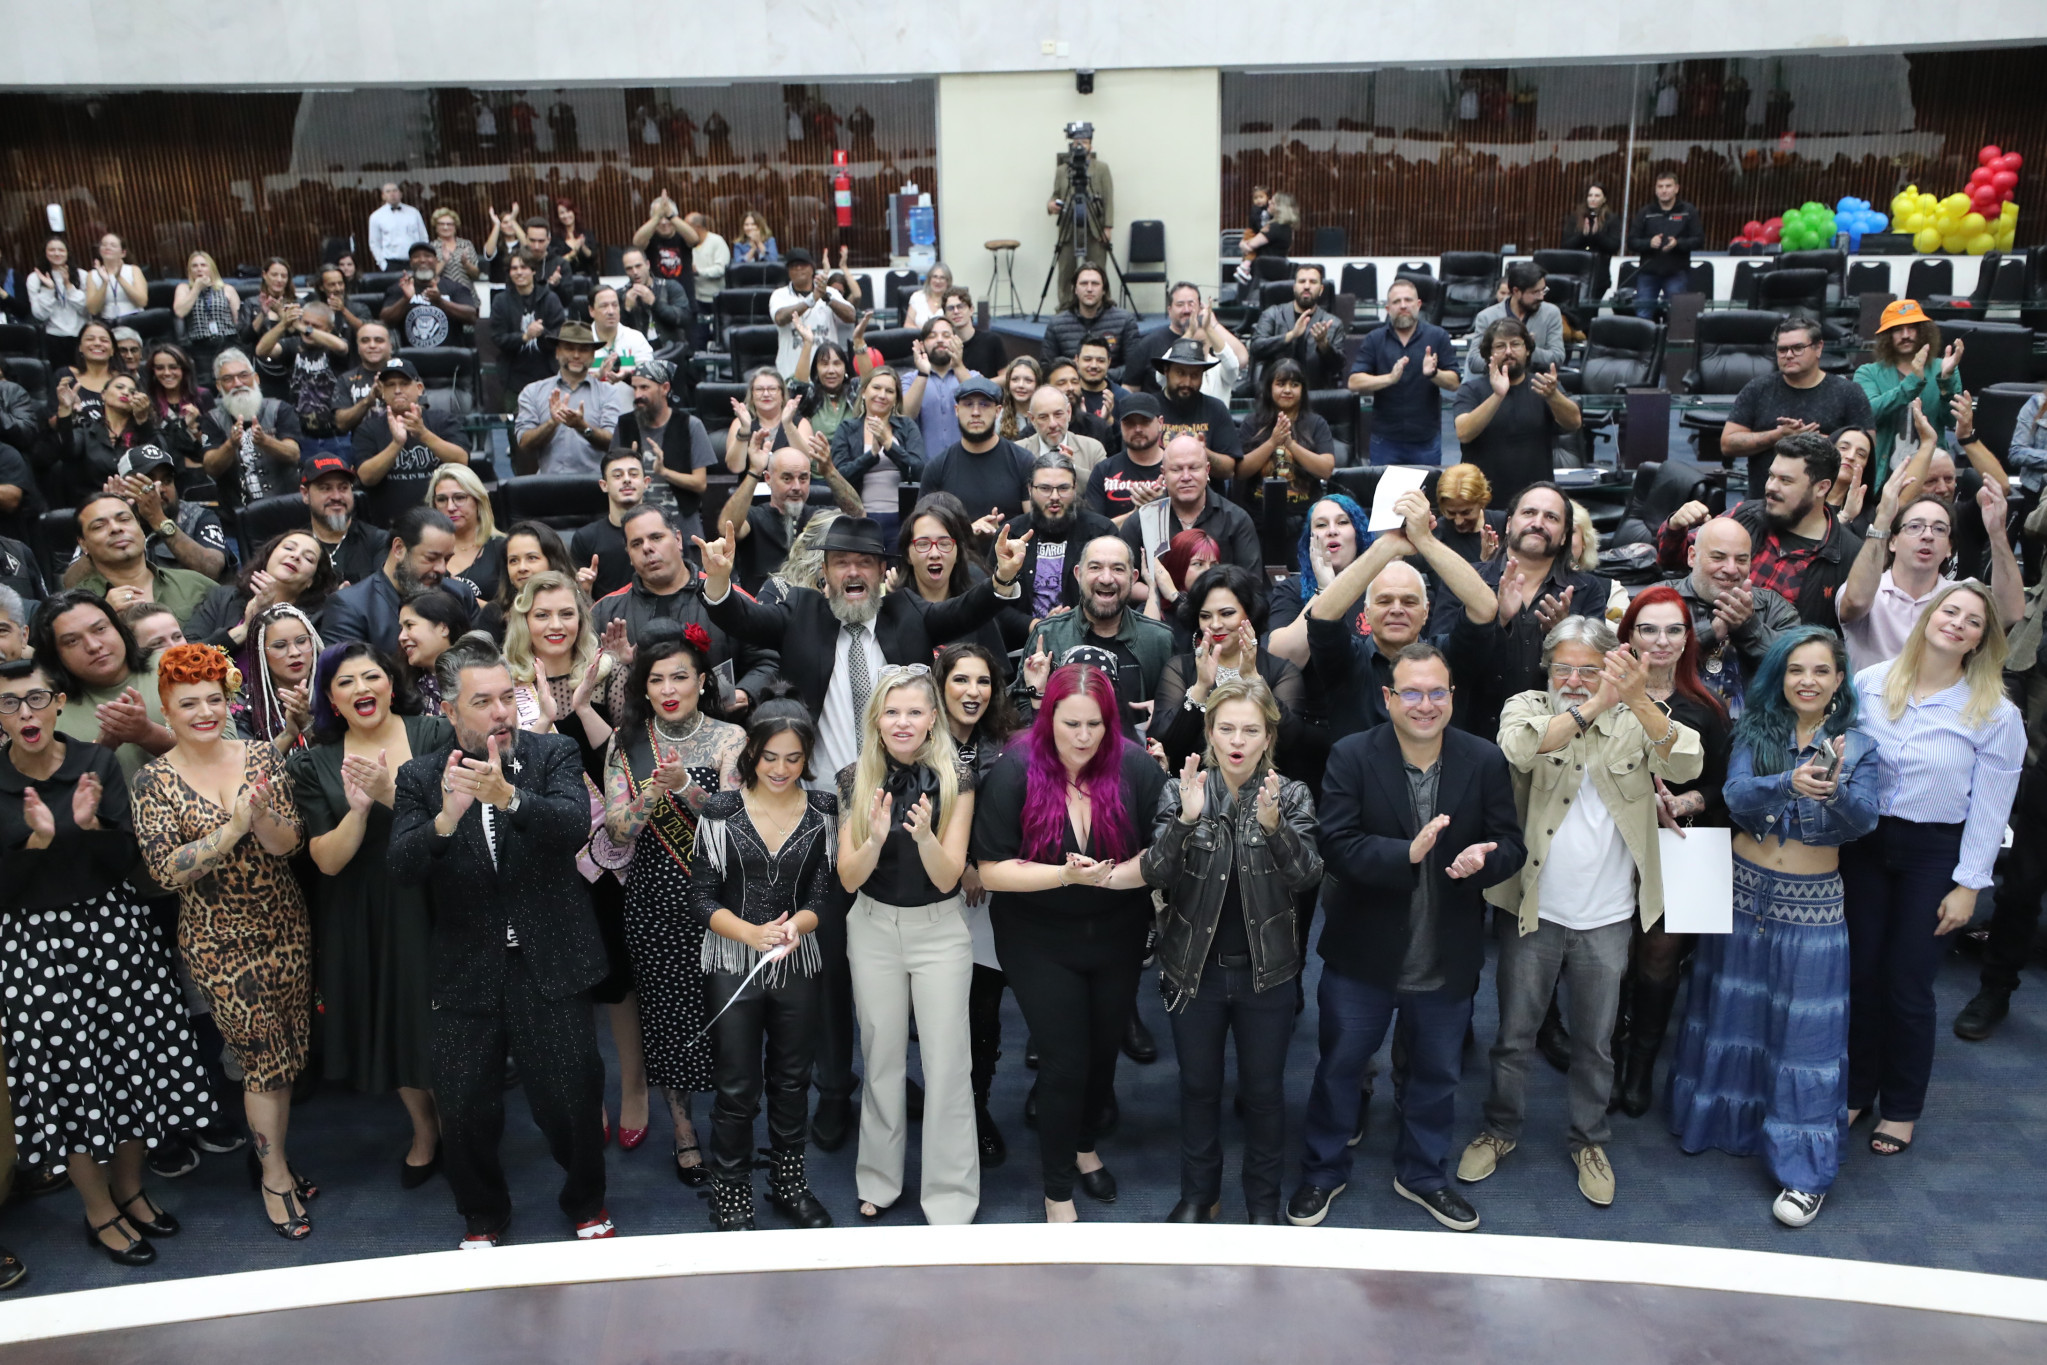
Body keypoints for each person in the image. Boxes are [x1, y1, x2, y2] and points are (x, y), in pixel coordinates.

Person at [1460, 616, 1702, 1208]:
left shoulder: (1635, 718)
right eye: (1563, 668)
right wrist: (1595, 702)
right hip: (1534, 908)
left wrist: (1638, 698)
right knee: (1514, 1035)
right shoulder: (1527, 705)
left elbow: (1687, 763)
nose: (1573, 679)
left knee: (1595, 1043)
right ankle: (1500, 1128)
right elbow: (1519, 748)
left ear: (1612, 669)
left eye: (1589, 670)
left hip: (1609, 914)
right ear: (1547, 669)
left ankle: (1589, 1138)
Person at [389, 635, 616, 1250]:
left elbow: (574, 826)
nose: (500, 713)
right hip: (467, 967)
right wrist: (446, 817)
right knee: (463, 1108)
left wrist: (510, 798)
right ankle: (483, 1215)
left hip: (553, 958)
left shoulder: (552, 754)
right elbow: (403, 866)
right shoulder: (418, 775)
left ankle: (587, 1202)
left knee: (572, 1098)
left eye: (507, 697)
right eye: (482, 701)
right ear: (449, 710)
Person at [1287, 644, 1525, 1231]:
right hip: (1361, 957)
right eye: (1412, 693)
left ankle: (1421, 1174)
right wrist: (1407, 853)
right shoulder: (1351, 755)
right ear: (1388, 698)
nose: (1426, 705)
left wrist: (1485, 860)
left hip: (1445, 955)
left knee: (1437, 1076)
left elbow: (1512, 845)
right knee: (1340, 1067)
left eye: (1437, 692)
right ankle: (1323, 1170)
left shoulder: (1484, 758)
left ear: (1452, 697)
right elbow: (1334, 844)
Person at [0, 656, 220, 1267]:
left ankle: (132, 1189)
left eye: (37, 698)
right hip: (34, 951)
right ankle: (99, 1210)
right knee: (71, 1083)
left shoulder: (93, 762)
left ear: (57, 701)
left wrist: (91, 827)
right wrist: (39, 841)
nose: (26, 713)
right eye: (9, 703)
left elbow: (129, 862)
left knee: (133, 1068)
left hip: (117, 935)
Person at [1666, 627, 1878, 1226]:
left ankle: (1803, 1174)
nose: (1807, 681)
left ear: (1840, 681)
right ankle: (1721, 1125)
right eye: (1795, 670)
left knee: (1805, 1037)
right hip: (1739, 893)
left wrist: (1833, 793)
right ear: (1779, 678)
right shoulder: (1755, 731)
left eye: (1820, 671)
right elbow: (1735, 796)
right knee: (1733, 1015)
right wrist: (1786, 781)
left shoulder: (1860, 746)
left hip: (1813, 904)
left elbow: (1863, 822)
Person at [132, 644, 316, 1240]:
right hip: (218, 940)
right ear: (167, 709)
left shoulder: (260, 754)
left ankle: (270, 1155)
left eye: (215, 699)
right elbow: (165, 870)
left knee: (285, 1055)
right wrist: (233, 827)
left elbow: (290, 845)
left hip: (285, 924)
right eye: (190, 703)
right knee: (261, 1059)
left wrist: (261, 821)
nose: (206, 711)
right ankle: (275, 1175)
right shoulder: (153, 781)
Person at [973, 663, 1164, 1221]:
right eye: (1070, 723)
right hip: (1038, 936)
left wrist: (1119, 875)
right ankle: (1056, 1191)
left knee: (1104, 1053)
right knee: (1064, 1061)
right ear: (1047, 716)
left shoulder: (1133, 766)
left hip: (1117, 931)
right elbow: (991, 871)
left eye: (1095, 725)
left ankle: (1083, 1147)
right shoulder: (1015, 770)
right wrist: (1065, 875)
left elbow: (1165, 849)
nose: (1083, 737)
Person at [1842, 582, 2022, 1159]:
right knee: (1860, 976)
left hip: (1935, 855)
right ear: (1928, 617)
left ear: (1980, 640)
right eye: (1951, 611)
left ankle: (1900, 1108)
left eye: (1972, 621)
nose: (1958, 624)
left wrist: (1970, 884)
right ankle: (1854, 1090)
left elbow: (1992, 807)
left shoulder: (1994, 710)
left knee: (1908, 985)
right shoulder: (1871, 684)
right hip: (1866, 845)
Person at [1142, 676, 1323, 1224]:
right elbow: (1153, 871)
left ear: (1268, 736)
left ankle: (1262, 1203)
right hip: (1193, 974)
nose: (1237, 740)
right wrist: (1187, 821)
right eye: (1226, 729)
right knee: (1197, 1089)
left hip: (1266, 977)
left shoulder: (1290, 796)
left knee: (1265, 1094)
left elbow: (1308, 876)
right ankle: (1200, 1194)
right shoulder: (1180, 790)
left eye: (1250, 730)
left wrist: (1274, 830)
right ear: (1210, 733)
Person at [290, 642, 449, 1186]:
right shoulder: (313, 762)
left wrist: (390, 794)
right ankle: (425, 1129)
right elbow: (326, 861)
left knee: (446, 1023)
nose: (361, 689)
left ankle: (465, 1126)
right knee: (399, 1023)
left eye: (371, 676)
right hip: (364, 909)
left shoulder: (433, 735)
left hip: (437, 897)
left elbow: (452, 823)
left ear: (390, 682)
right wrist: (358, 812)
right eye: (345, 683)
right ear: (331, 701)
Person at [834, 665, 980, 1224]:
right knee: (881, 1057)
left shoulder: (958, 781)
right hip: (871, 927)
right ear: (876, 720)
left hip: (939, 931)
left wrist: (921, 837)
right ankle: (879, 1178)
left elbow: (949, 878)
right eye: (892, 712)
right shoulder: (852, 779)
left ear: (932, 720)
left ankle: (949, 1194)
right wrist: (873, 840)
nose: (902, 722)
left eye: (914, 712)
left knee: (947, 1064)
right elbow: (849, 878)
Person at [602, 629, 744, 1189]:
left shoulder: (731, 739)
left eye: (680, 676)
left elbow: (737, 820)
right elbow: (618, 827)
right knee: (667, 1019)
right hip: (655, 898)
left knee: (732, 1015)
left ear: (702, 681)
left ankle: (733, 1128)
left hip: (721, 896)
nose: (668, 688)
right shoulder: (627, 742)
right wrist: (649, 796)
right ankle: (684, 1135)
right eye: (656, 678)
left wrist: (688, 788)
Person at [689, 712, 836, 1230]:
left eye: (793, 758)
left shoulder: (823, 810)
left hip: (797, 959)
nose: (781, 768)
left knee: (794, 1080)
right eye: (770, 756)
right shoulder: (721, 809)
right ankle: (729, 1193)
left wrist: (799, 923)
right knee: (736, 1084)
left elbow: (824, 894)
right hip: (732, 958)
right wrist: (750, 933)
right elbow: (701, 898)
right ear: (752, 753)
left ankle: (789, 1183)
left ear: (806, 758)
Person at [1604, 586, 1731, 1118]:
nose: (1660, 641)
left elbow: (1728, 789)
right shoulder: (1600, 697)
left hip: (1685, 843)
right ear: (1628, 636)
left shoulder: (1707, 707)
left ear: (1688, 640)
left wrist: (1687, 799)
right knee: (1609, 958)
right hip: (1610, 842)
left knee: (1658, 962)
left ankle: (1639, 1068)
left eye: (1673, 629)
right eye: (1648, 629)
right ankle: (1605, 1060)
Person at [1300, 489, 1501, 737]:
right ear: (1367, 611)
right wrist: (1387, 544)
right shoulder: (1346, 661)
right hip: (1361, 774)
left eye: (1409, 601)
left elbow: (1486, 606)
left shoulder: (1449, 657)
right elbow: (1322, 615)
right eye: (1384, 601)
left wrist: (1425, 540)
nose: (1397, 609)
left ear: (1426, 612)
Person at [936, 642, 1022, 1166]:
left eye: (983, 682)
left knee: (982, 1015)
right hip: (931, 896)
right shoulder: (917, 740)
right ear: (941, 685)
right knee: (940, 1014)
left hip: (989, 901)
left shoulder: (1006, 744)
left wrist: (982, 865)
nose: (973, 692)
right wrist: (962, 863)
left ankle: (976, 1106)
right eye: (961, 681)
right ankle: (942, 1108)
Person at [1657, 432, 1863, 631]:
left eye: (1786, 481)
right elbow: (1676, 562)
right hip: (1705, 647)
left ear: (1821, 488)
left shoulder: (1847, 555)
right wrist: (1675, 528)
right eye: (1771, 476)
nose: (1771, 487)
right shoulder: (1746, 515)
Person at [590, 507, 779, 710]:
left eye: (656, 537)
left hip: (721, 726)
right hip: (639, 733)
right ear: (629, 554)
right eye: (636, 543)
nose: (647, 548)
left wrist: (746, 692)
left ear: (678, 539)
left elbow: (768, 662)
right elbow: (582, 679)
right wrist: (612, 665)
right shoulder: (605, 612)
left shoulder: (730, 599)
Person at [1840, 463, 2019, 674]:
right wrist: (1882, 522)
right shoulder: (1869, 589)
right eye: (1915, 526)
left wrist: (1997, 533)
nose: (1928, 535)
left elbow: (2011, 613)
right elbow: (1855, 603)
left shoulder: (1964, 593)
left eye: (1939, 529)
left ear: (1949, 548)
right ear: (1893, 541)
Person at [1146, 564, 1305, 769]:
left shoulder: (1281, 671)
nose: (1215, 624)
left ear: (1250, 613)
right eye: (1205, 616)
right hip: (1195, 789)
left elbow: (1291, 742)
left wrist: (1254, 680)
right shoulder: (1180, 668)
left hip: (1262, 791)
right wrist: (1201, 688)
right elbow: (1164, 743)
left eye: (1227, 613)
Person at [1016, 536, 1175, 735]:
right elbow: (1020, 709)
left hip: (1136, 759)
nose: (1106, 579)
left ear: (1133, 578)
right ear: (1078, 574)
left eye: (1118, 569)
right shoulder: (1048, 635)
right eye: (1095, 568)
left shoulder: (1158, 640)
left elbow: (1173, 714)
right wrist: (1039, 696)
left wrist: (1161, 716)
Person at [1661, 515, 1799, 719]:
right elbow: (1642, 658)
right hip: (1672, 724)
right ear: (1692, 557)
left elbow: (1799, 665)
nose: (1731, 569)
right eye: (1718, 557)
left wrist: (1749, 629)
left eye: (1741, 560)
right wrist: (1711, 632)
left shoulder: (1774, 607)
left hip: (1756, 731)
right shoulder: (1661, 600)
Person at [1721, 316, 1876, 495]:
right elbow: (1727, 444)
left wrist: (1816, 442)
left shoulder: (1849, 392)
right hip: (1763, 500)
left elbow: (1867, 450)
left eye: (1797, 348)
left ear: (1818, 348)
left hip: (1826, 505)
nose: (1788, 355)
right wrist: (1778, 436)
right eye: (1782, 349)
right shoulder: (1757, 388)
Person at [32, 590, 175, 780]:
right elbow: (47, 792)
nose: (93, 646)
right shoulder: (44, 709)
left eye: (100, 629)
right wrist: (100, 750)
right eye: (72, 641)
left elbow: (224, 749)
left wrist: (147, 733)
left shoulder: (176, 668)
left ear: (119, 628)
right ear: (54, 655)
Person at [1452, 318, 1582, 506]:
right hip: (1483, 501)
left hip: (1535, 501)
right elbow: (1463, 433)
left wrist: (1554, 396)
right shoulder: (1472, 390)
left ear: (1527, 349)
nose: (1508, 352)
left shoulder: (1543, 386)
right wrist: (1497, 395)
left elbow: (1574, 423)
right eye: (1500, 346)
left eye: (1515, 344)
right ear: (1489, 353)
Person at [321, 505, 462, 658]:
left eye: (447, 559)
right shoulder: (350, 607)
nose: (442, 569)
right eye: (431, 558)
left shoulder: (459, 595)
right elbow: (346, 675)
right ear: (399, 548)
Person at [1347, 278, 1461, 467]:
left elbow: (1454, 383)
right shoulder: (1374, 339)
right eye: (1396, 302)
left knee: (1426, 494)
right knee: (1383, 495)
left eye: (1408, 300)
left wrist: (1434, 374)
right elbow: (1354, 382)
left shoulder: (1438, 336)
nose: (1403, 306)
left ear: (1418, 305)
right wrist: (1389, 379)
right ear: (1387, 309)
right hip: (1385, 441)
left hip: (1425, 440)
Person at [1118, 435, 1262, 579]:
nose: (1186, 477)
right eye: (1176, 469)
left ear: (1207, 470)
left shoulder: (1236, 520)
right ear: (1163, 473)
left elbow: (1253, 584)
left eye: (1193, 468)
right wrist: (1165, 596)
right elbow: (1125, 582)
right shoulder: (1142, 521)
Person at [352, 357, 470, 528]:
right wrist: (396, 444)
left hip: (442, 523)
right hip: (390, 527)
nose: (398, 390)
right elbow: (366, 477)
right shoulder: (368, 429)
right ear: (382, 392)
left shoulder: (443, 421)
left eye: (404, 383)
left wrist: (423, 434)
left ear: (419, 388)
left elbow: (462, 461)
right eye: (391, 385)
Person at [1854, 300, 1965, 482]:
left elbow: (1951, 420)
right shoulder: (1868, 372)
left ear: (1923, 332)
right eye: (1898, 330)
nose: (1905, 335)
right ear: (1887, 336)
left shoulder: (1942, 367)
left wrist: (1946, 380)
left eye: (1911, 328)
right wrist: (1913, 381)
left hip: (1931, 473)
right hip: (1883, 476)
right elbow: (1869, 413)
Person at [1001, 453, 1118, 623]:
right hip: (1021, 642)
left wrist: (1069, 626)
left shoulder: (1101, 532)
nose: (1054, 496)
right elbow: (993, 603)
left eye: (1063, 488)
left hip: (1088, 636)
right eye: (1045, 488)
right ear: (1030, 490)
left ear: (1075, 488)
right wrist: (1034, 626)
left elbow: (1117, 594)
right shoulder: (1011, 534)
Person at [68, 493, 216, 626]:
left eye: (124, 519)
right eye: (99, 526)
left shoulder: (195, 584)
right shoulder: (75, 606)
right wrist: (104, 617)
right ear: (83, 544)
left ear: (140, 528)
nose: (116, 528)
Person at [183, 525, 334, 654]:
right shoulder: (222, 597)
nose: (296, 556)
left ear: (311, 581)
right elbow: (186, 655)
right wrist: (245, 628)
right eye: (289, 548)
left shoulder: (319, 618)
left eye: (308, 558)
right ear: (269, 556)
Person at [727, 444, 856, 593]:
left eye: (803, 478)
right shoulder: (754, 517)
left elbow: (857, 517)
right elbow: (730, 528)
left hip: (811, 607)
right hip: (762, 608)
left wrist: (830, 471)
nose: (796, 486)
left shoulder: (820, 517)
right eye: (787, 478)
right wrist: (754, 472)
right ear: (768, 478)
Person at [514, 322, 629, 477]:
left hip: (595, 487)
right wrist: (552, 423)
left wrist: (582, 427)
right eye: (569, 348)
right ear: (557, 352)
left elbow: (614, 443)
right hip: (548, 487)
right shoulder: (532, 392)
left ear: (593, 355)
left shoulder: (608, 393)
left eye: (583, 349)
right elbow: (524, 444)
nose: (576, 355)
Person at [199, 348, 305, 513]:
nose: (238, 383)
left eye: (243, 375)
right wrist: (231, 444)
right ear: (219, 386)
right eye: (228, 379)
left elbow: (294, 454)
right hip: (237, 515)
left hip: (286, 508)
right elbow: (211, 467)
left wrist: (265, 441)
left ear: (256, 378)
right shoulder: (212, 419)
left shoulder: (280, 409)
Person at [920, 376, 1036, 522]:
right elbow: (924, 528)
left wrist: (1002, 535)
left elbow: (1034, 525)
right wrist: (969, 532)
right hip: (959, 545)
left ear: (998, 411)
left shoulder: (1023, 461)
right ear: (956, 410)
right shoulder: (937, 467)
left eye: (984, 404)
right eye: (968, 404)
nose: (975, 412)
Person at [1236, 357, 1335, 523]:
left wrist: (1290, 444)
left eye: (1295, 385)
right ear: (1269, 388)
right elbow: (1240, 471)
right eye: (1281, 384)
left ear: (1303, 390)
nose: (1288, 390)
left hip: (1305, 518)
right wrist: (1272, 442)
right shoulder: (1252, 422)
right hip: (1258, 517)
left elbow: (1326, 470)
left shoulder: (1316, 423)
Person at [1124, 281, 1248, 403]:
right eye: (1180, 304)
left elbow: (1240, 360)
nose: (1187, 310)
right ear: (1169, 309)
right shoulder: (1149, 342)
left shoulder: (1212, 338)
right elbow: (1131, 387)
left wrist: (1212, 324)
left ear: (1201, 307)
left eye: (1191, 304)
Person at [1152, 340, 1247, 481]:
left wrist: (1203, 452)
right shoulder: (1151, 407)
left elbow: (1229, 470)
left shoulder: (1216, 408)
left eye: (1195, 375)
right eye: (1180, 373)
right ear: (1166, 371)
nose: (1187, 382)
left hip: (1207, 498)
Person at [1249, 263, 1349, 391]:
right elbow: (1256, 348)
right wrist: (1290, 335)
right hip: (1276, 395)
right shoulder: (1272, 314)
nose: (1307, 286)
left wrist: (1324, 345)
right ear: (1294, 287)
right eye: (1302, 281)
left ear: (1321, 289)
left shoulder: (1333, 323)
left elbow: (1338, 367)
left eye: (1313, 282)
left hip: (1315, 394)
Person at [1047, 133, 1115, 309]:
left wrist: (1108, 227)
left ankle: (1103, 307)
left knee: (1098, 270)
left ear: (1090, 147)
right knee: (1065, 271)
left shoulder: (1101, 168)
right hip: (1069, 227)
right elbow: (1056, 195)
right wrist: (1051, 205)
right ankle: (1065, 308)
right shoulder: (1062, 170)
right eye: (1076, 142)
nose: (1080, 146)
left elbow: (1108, 198)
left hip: (1095, 226)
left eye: (1084, 142)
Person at [299, 454, 391, 586]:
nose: (336, 496)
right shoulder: (294, 547)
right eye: (325, 488)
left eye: (343, 488)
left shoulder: (379, 542)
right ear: (305, 494)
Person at [1464, 262, 1566, 376]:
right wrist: (1508, 356)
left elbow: (1558, 358)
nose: (1541, 296)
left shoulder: (1551, 313)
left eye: (1543, 290)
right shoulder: (1487, 317)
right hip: (1496, 383)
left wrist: (1529, 349)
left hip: (1536, 384)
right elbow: (1474, 362)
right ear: (1516, 291)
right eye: (1535, 292)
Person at [489, 250, 567, 399]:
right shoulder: (501, 301)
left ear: (533, 270)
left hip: (549, 376)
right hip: (513, 378)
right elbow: (497, 338)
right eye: (514, 268)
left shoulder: (550, 298)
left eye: (524, 267)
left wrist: (542, 332)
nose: (519, 272)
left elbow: (561, 336)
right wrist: (525, 337)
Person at [768, 250, 855, 381]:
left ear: (812, 268)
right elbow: (780, 318)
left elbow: (851, 316)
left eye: (803, 265)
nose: (798, 269)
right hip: (791, 373)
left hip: (826, 375)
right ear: (788, 271)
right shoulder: (779, 295)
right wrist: (811, 300)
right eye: (793, 266)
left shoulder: (830, 292)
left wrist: (827, 298)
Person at [1627, 171, 1703, 318]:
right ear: (1655, 190)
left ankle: (1672, 342)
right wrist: (1649, 243)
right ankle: (1646, 342)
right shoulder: (1645, 212)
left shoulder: (1688, 211)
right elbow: (1631, 241)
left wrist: (1678, 243)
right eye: (1660, 186)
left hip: (1677, 273)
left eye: (1668, 186)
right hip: (1648, 273)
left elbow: (1699, 240)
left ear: (1676, 188)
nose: (1664, 190)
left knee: (1678, 317)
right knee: (1643, 314)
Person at [1042, 265, 1140, 374]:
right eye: (1084, 284)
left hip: (1112, 387)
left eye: (1095, 284)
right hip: (1071, 387)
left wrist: (1101, 376)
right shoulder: (1056, 324)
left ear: (1104, 290)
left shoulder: (1125, 321)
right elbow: (1047, 368)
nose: (1089, 289)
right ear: (1075, 289)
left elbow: (1134, 367)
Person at [381, 242, 479, 351]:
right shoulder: (400, 288)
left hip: (449, 356)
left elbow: (471, 317)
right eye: (416, 257)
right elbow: (386, 321)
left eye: (427, 256)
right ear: (411, 263)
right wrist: (405, 299)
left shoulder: (454, 287)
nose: (422, 260)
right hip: (412, 358)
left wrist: (441, 302)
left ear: (436, 261)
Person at [396, 589, 467, 714]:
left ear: (443, 628)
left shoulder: (483, 674)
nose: (401, 637)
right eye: (401, 628)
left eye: (410, 625)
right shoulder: (401, 690)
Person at [171, 252, 242, 375]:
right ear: (189, 270)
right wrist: (197, 288)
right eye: (194, 266)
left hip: (227, 342)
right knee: (207, 382)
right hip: (200, 346)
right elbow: (180, 312)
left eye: (203, 265)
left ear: (211, 268)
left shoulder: (227, 289)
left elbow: (239, 321)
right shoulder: (184, 288)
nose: (199, 269)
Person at [1019, 385, 1107, 482]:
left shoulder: (1093, 449)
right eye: (1043, 417)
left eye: (1058, 414)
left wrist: (1072, 468)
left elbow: (1102, 488)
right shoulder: (1018, 452)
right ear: (1032, 419)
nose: (1052, 424)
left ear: (1068, 412)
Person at [1559, 183, 1623, 312]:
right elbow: (1565, 245)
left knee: (1590, 312)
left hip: (1599, 276)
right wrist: (1582, 236)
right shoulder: (1576, 218)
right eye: (1590, 195)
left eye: (1597, 195)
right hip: (1576, 274)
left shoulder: (1611, 219)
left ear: (1604, 199)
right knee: (1574, 311)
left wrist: (1597, 235)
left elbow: (1614, 246)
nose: (1593, 199)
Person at [632, 191, 703, 302]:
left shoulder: (683, 236)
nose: (664, 222)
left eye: (667, 218)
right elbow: (637, 242)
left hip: (685, 300)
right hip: (657, 300)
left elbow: (694, 239)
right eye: (660, 218)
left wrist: (670, 215)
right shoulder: (649, 238)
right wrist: (657, 216)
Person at [28, 236, 89, 362]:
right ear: (45, 253)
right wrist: (49, 289)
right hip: (53, 337)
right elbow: (40, 315)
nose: (56, 253)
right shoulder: (34, 278)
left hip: (82, 335)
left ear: (68, 253)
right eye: (52, 250)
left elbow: (86, 309)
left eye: (61, 250)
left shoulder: (82, 275)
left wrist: (68, 286)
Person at [334, 322, 394, 436]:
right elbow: (341, 424)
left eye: (379, 340)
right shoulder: (346, 379)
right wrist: (368, 401)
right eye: (365, 341)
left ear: (390, 346)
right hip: (362, 448)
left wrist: (389, 398)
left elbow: (420, 413)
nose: (372, 345)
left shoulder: (406, 374)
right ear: (358, 347)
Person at [85, 233, 147, 322]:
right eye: (104, 245)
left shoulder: (133, 270)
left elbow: (142, 302)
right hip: (107, 322)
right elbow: (93, 310)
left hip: (134, 319)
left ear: (123, 253)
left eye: (113, 245)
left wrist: (119, 278)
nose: (107, 247)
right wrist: (105, 283)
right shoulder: (92, 275)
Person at [368, 183, 429, 271]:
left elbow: (423, 237)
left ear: (400, 194)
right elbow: (374, 244)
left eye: (395, 190)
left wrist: (422, 258)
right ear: (383, 196)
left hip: (414, 261)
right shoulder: (376, 216)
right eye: (388, 191)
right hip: (391, 263)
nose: (392, 194)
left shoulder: (413, 213)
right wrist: (383, 264)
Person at [688, 211, 730, 322]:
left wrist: (698, 271)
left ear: (697, 227)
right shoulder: (687, 244)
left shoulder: (717, 241)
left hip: (715, 299)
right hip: (696, 299)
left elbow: (721, 269)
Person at [429, 207, 482, 285]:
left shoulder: (466, 244)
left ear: (455, 226)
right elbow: (429, 277)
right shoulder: (431, 247)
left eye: (449, 224)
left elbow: (477, 274)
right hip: (442, 294)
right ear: (436, 227)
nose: (445, 227)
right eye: (441, 224)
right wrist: (444, 261)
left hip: (466, 292)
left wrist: (466, 263)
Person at [905, 263, 953, 331]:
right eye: (935, 277)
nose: (938, 281)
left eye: (942, 278)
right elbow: (907, 325)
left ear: (948, 281)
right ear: (929, 279)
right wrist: (926, 333)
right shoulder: (917, 297)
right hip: (919, 338)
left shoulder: (952, 299)